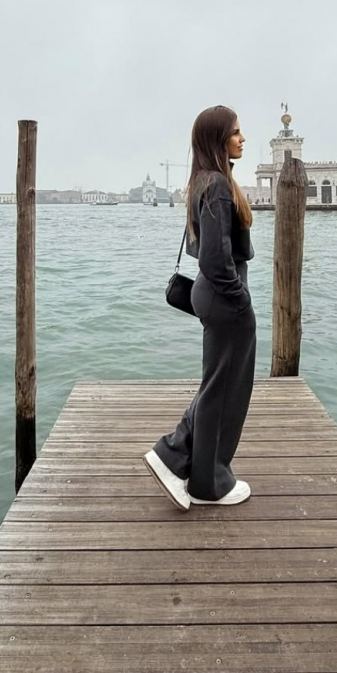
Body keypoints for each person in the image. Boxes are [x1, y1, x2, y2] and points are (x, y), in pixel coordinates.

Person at [144, 105, 256, 510]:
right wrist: (240, 299)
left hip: (213, 296)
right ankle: (206, 483)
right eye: (236, 133)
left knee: (218, 387)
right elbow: (213, 258)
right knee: (224, 391)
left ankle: (183, 462)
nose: (243, 139)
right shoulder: (218, 185)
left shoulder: (205, 181)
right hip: (225, 297)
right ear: (217, 139)